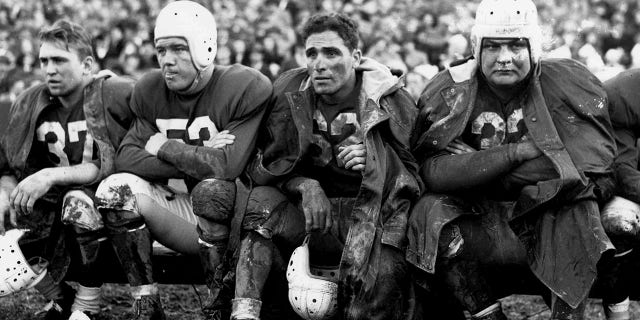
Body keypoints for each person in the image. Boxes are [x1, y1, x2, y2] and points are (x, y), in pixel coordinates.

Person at [407, 0, 617, 319]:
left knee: (579, 205)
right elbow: (434, 173)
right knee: (429, 211)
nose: (504, 58)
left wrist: (480, 165)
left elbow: (586, 165)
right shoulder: (452, 87)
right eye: (493, 46)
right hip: (483, 218)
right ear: (477, 49)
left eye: (516, 45)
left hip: (550, 215)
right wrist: (516, 153)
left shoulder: (565, 80)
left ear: (533, 48)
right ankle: (487, 313)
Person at [231, 12, 421, 320]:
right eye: (312, 53)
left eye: (331, 53)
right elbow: (266, 165)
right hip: (314, 218)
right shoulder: (288, 91)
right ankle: (243, 312)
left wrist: (376, 161)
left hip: (374, 219)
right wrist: (306, 185)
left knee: (379, 290)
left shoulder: (389, 98)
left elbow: (418, 172)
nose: (319, 63)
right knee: (259, 204)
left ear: (356, 57)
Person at [93, 1, 272, 319]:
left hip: (240, 222)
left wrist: (166, 147)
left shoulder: (243, 85)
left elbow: (227, 167)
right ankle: (146, 305)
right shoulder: (150, 89)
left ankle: (219, 301)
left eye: (178, 49)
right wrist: (201, 151)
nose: (167, 61)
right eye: (161, 50)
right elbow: (127, 158)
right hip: (185, 215)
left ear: (205, 47)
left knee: (214, 188)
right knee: (114, 190)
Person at [0, 20, 134, 320]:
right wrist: (5, 193)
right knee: (14, 222)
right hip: (50, 206)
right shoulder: (30, 101)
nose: (49, 69)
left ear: (87, 65)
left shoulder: (111, 94)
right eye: (44, 60)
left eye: (59, 60)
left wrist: (49, 175)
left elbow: (113, 164)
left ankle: (87, 305)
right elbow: (9, 165)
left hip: (108, 204)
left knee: (78, 203)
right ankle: (59, 296)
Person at [598, 68, 640, 320]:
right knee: (619, 223)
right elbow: (621, 170)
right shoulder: (625, 92)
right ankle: (619, 314)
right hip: (631, 186)